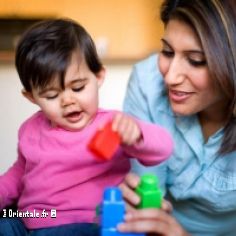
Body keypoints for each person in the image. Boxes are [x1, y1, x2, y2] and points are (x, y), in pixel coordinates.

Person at [0, 19, 173, 236]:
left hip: (86, 219)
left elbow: (163, 148)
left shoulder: (113, 126)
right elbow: (19, 173)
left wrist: (137, 134)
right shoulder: (30, 129)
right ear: (32, 97)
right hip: (34, 217)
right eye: (52, 95)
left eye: (78, 87)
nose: (68, 101)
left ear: (98, 76)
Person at [118, 0, 236, 235]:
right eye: (167, 52)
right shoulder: (147, 82)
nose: (170, 77)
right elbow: (149, 210)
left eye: (195, 60)